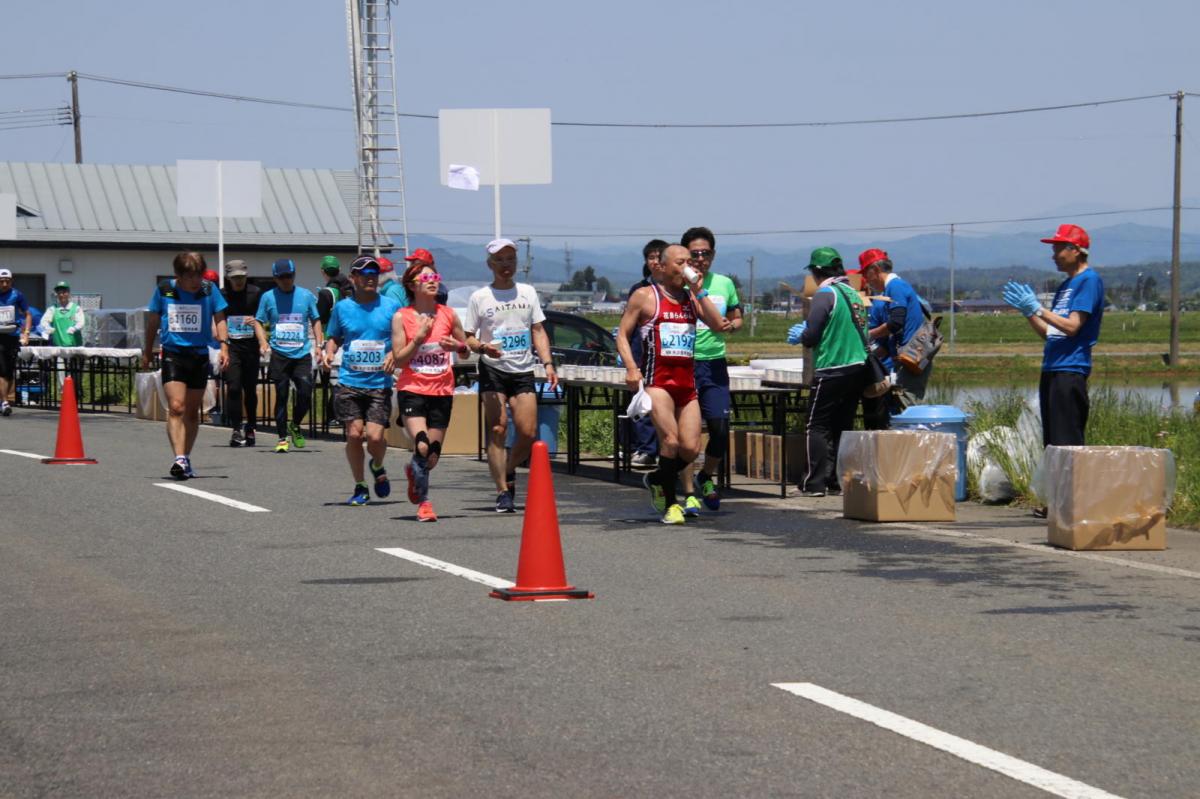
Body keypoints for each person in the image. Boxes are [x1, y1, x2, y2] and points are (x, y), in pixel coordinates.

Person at [615, 244, 726, 524]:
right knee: (671, 440)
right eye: (680, 262)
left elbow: (717, 325)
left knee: (690, 449)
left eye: (690, 261)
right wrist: (631, 368)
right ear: (662, 267)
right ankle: (670, 504)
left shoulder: (692, 299)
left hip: (686, 385)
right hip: (658, 382)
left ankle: (656, 478)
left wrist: (699, 290)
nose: (688, 266)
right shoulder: (645, 296)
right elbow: (622, 335)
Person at [463, 238, 559, 513]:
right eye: (500, 260)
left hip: (523, 369)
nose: (506, 265)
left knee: (528, 433)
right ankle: (503, 491)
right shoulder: (480, 297)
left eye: (510, 259)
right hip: (493, 367)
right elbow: (468, 338)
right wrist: (483, 347)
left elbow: (538, 330)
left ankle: (506, 469)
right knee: (498, 427)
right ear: (490, 264)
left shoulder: (527, 292)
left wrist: (548, 364)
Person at [1003, 224, 1104, 451]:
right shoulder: (1065, 285)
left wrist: (1038, 309)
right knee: (1052, 444)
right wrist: (1028, 312)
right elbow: (1050, 333)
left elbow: (1072, 327)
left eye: (1058, 249)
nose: (1053, 256)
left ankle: (1073, 487)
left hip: (1070, 370)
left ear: (1075, 250)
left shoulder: (1089, 280)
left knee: (1067, 444)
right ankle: (1056, 486)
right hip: (1051, 368)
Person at [785, 247, 871, 498]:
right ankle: (835, 481)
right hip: (857, 368)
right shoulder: (852, 293)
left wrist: (801, 333)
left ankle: (813, 484)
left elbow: (812, 337)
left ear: (817, 271)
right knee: (841, 425)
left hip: (832, 367)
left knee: (816, 425)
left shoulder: (825, 293)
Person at [321, 255, 403, 506]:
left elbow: (402, 338)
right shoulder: (343, 307)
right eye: (364, 273)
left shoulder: (390, 307)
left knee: (376, 437)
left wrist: (392, 353)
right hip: (349, 380)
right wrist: (330, 351)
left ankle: (377, 466)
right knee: (355, 434)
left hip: (379, 383)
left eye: (374, 274)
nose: (370, 278)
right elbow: (334, 336)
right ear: (353, 278)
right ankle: (360, 486)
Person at [393, 259, 469, 522]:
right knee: (423, 445)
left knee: (433, 455)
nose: (433, 280)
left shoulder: (448, 314)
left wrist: (456, 347)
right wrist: (418, 338)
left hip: (442, 390)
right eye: (426, 278)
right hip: (412, 388)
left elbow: (466, 349)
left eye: (435, 276)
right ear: (412, 285)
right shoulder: (402, 317)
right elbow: (400, 359)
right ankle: (425, 503)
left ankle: (415, 471)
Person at [142, 252, 230, 479]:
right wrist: (147, 351)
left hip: (199, 355)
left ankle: (186, 457)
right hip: (174, 353)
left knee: (192, 411)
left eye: (198, 276)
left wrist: (224, 346)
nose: (195, 282)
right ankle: (178, 458)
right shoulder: (164, 290)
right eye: (190, 277)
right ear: (178, 276)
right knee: (177, 406)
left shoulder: (209, 290)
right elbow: (152, 321)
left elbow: (220, 318)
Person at [678, 226, 742, 515]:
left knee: (719, 428)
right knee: (688, 432)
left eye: (706, 253)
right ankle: (689, 491)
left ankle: (706, 476)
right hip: (686, 362)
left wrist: (732, 325)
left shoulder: (725, 283)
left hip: (715, 363)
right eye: (695, 254)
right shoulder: (677, 285)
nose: (701, 258)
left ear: (713, 255)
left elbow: (736, 316)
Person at [255, 258, 322, 453]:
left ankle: (295, 424)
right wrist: (263, 341)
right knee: (282, 395)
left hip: (301, 353)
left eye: (289, 276)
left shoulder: (306, 296)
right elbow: (258, 321)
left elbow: (316, 319)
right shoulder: (268, 297)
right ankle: (282, 437)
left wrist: (319, 345)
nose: (286, 280)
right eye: (282, 277)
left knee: (305, 392)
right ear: (275, 278)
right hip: (279, 354)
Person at [856, 248, 932, 400]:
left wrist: (868, 335)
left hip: (911, 357)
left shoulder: (895, 286)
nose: (866, 279)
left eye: (866, 273)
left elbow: (896, 323)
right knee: (902, 403)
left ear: (876, 269)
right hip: (908, 356)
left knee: (907, 404)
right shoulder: (894, 286)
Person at [626, 239, 667, 469]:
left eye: (660, 257)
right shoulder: (639, 290)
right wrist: (631, 361)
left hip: (669, 357)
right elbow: (628, 329)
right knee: (643, 402)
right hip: (643, 355)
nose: (655, 261)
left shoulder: (678, 289)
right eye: (651, 257)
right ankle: (647, 450)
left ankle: (666, 449)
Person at [219, 260, 263, 446]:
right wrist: (222, 344)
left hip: (251, 347)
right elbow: (217, 319)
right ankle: (236, 428)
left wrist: (261, 334)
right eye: (234, 278)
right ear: (228, 278)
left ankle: (251, 427)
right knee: (234, 387)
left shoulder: (255, 293)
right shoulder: (222, 295)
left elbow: (263, 318)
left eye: (241, 277)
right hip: (232, 347)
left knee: (250, 389)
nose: (238, 281)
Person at [38, 281, 86, 398]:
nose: (62, 294)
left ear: (68, 293)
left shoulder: (76, 308)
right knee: (61, 370)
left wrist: (74, 328)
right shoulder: (53, 309)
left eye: (64, 292)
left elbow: (82, 322)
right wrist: (48, 327)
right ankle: (64, 393)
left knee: (76, 372)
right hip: (59, 346)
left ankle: (76, 392)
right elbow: (43, 321)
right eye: (59, 292)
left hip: (75, 346)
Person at [0, 268, 33, 417]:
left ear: (11, 281)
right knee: (1, 369)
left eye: (7, 281)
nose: (4, 284)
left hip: (12, 336)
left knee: (9, 371)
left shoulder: (17, 295)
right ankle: (5, 402)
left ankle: (4, 400)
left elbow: (27, 314)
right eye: (1, 281)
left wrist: (26, 333)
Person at [316, 255, 354, 331]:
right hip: (350, 336)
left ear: (322, 271)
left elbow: (321, 319)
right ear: (339, 269)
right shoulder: (352, 290)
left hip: (331, 338)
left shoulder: (325, 293)